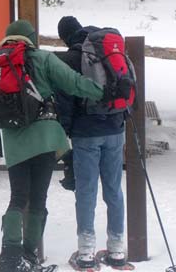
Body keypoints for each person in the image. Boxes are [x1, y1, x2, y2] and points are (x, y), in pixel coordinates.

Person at [0, 19, 104, 272]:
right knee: (38, 200)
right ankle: (30, 258)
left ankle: (10, 260)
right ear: (31, 38)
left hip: (15, 142)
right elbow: (73, 82)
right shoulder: (43, 59)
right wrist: (105, 93)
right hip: (46, 138)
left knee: (17, 198)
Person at [56, 16, 128, 268]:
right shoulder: (107, 50)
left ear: (65, 37)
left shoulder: (71, 59)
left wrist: (64, 131)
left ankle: (86, 252)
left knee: (86, 191)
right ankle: (117, 250)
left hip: (86, 133)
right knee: (114, 190)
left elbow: (64, 100)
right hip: (115, 129)